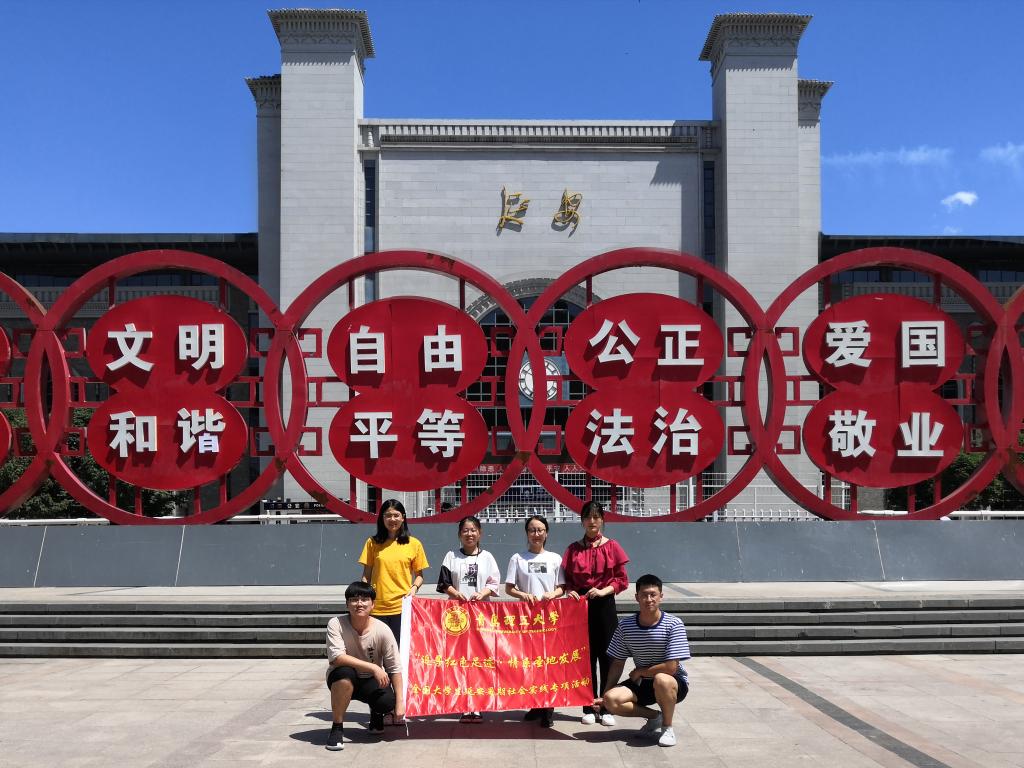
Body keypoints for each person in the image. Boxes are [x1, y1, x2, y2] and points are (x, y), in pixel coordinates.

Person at [598, 573, 690, 748]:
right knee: (611, 699)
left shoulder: (674, 624)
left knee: (662, 679)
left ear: (661, 596)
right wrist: (605, 696)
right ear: (636, 597)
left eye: (653, 594)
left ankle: (667, 728)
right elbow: (617, 663)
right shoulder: (626, 626)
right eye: (644, 595)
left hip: (672, 683)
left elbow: (671, 667)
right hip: (643, 683)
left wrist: (641, 671)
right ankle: (655, 717)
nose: (649, 599)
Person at [562, 500, 629, 726]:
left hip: (605, 603)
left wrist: (602, 591)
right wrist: (570, 591)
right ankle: (588, 705)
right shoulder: (573, 549)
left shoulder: (613, 546)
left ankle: (607, 705)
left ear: (602, 520)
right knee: (585, 656)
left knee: (608, 655)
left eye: (596, 517)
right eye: (588, 517)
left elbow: (621, 580)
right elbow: (566, 581)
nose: (592, 521)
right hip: (581, 606)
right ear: (582, 521)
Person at [324, 581, 405, 751]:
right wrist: (374, 667)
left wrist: (400, 703)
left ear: (373, 604)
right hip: (343, 677)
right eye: (354, 599)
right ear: (347, 604)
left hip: (370, 680)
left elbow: (394, 668)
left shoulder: (382, 629)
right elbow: (337, 658)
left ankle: (376, 712)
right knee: (345, 674)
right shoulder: (336, 624)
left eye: (364, 599)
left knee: (387, 702)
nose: (359, 603)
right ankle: (337, 728)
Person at [437, 514, 502, 724]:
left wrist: (482, 593)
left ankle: (478, 703)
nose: (469, 534)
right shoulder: (451, 556)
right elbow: (443, 582)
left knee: (480, 659)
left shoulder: (488, 557)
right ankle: (464, 704)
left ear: (480, 533)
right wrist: (456, 594)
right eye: (465, 530)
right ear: (459, 534)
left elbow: (494, 582)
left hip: (482, 616)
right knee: (459, 659)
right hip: (457, 616)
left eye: (473, 530)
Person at [504, 514, 565, 728]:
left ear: (546, 533)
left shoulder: (555, 559)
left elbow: (562, 587)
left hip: (550, 619)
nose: (536, 534)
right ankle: (536, 704)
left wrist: (553, 594)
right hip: (527, 619)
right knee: (530, 663)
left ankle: (549, 707)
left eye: (540, 530)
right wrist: (523, 595)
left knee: (548, 663)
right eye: (532, 530)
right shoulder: (518, 558)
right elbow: (509, 588)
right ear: (527, 533)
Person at [359, 499, 429, 646]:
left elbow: (419, 576)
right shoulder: (372, 543)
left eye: (396, 515)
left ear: (403, 518)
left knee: (400, 648)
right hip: (377, 607)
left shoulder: (414, 543)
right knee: (378, 649)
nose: (392, 519)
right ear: (382, 518)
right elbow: (366, 575)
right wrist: (365, 597)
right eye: (388, 515)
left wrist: (414, 589)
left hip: (402, 606)